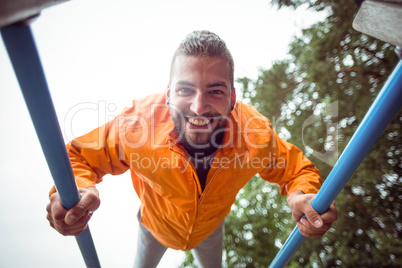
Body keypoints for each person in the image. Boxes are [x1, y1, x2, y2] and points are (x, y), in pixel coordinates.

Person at [46, 30, 337, 267]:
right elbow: (79, 155)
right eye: (186, 89)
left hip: (210, 230)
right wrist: (78, 189)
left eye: (215, 91)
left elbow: (296, 170)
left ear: (232, 97)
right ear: (169, 93)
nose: (199, 106)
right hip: (154, 226)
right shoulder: (136, 125)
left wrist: (303, 194)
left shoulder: (255, 133)